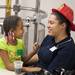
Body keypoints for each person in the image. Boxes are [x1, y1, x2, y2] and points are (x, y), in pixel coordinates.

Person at [22, 3, 75, 74]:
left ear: (63, 25)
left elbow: (49, 72)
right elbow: (39, 56)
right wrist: (22, 63)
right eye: (48, 22)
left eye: (51, 23)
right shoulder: (50, 37)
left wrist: (23, 69)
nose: (48, 26)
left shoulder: (68, 49)